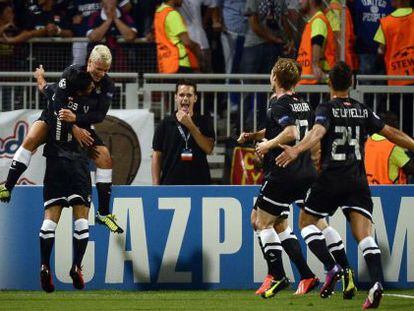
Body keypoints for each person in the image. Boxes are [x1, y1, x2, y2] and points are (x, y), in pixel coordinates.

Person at [276, 61, 414, 309]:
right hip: (357, 180)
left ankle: (334, 265)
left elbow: (317, 133)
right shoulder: (362, 110)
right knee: (364, 235)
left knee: (305, 222)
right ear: (351, 83)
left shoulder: (326, 108)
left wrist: (296, 150)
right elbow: (391, 132)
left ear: (329, 83)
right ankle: (376, 283)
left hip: (331, 178)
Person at [0, 45, 123, 234]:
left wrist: (77, 122)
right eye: (99, 69)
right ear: (89, 62)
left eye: (106, 70)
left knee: (105, 158)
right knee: (31, 138)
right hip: (53, 119)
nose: (102, 74)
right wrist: (72, 127)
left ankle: (104, 213)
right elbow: (56, 102)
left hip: (80, 125)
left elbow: (99, 116)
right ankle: (7, 186)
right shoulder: (71, 72)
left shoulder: (107, 85)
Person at [238, 58, 319, 298]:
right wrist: (255, 135)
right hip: (300, 171)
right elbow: (281, 128)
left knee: (259, 221)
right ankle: (305, 275)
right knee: (280, 224)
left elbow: (291, 132)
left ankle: (277, 274)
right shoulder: (301, 104)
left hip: (281, 171)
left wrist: (267, 146)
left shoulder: (279, 104)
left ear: (275, 77)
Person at [39, 69, 95, 293]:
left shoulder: (56, 94)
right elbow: (95, 118)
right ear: (80, 91)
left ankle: (44, 264)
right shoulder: (85, 106)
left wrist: (40, 76)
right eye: (89, 86)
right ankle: (76, 266)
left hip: (54, 160)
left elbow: (45, 87)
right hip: (77, 163)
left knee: (50, 219)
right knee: (81, 218)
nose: (92, 87)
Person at [152, 80, 215, 185]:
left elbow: (209, 148)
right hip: (170, 184)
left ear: (195, 98)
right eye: (181, 95)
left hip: (199, 184)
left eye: (189, 95)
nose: (185, 98)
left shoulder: (204, 121)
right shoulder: (164, 124)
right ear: (175, 97)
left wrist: (191, 125)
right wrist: (155, 185)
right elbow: (157, 154)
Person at [365, 111, 414, 184]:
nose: (398, 124)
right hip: (389, 191)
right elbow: (410, 168)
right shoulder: (392, 147)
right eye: (395, 121)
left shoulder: (367, 143)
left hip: (368, 189)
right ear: (386, 125)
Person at [154, 0, 200, 73]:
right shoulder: (172, 14)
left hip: (167, 62)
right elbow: (186, 42)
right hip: (179, 62)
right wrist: (197, 47)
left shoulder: (159, 12)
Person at [297, 0, 336, 85]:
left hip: (316, 78)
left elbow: (318, 41)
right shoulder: (314, 21)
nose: (299, 2)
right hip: (310, 77)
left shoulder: (318, 20)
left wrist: (315, 65)